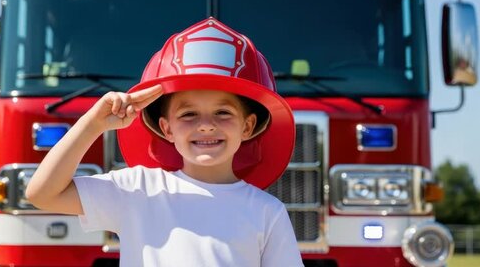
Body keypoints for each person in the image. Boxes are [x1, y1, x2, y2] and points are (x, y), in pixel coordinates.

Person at [26, 17, 304, 266]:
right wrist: (93, 124)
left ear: (248, 126)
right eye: (189, 114)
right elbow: (43, 194)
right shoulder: (137, 190)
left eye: (223, 112)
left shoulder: (268, 212)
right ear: (166, 128)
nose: (206, 125)